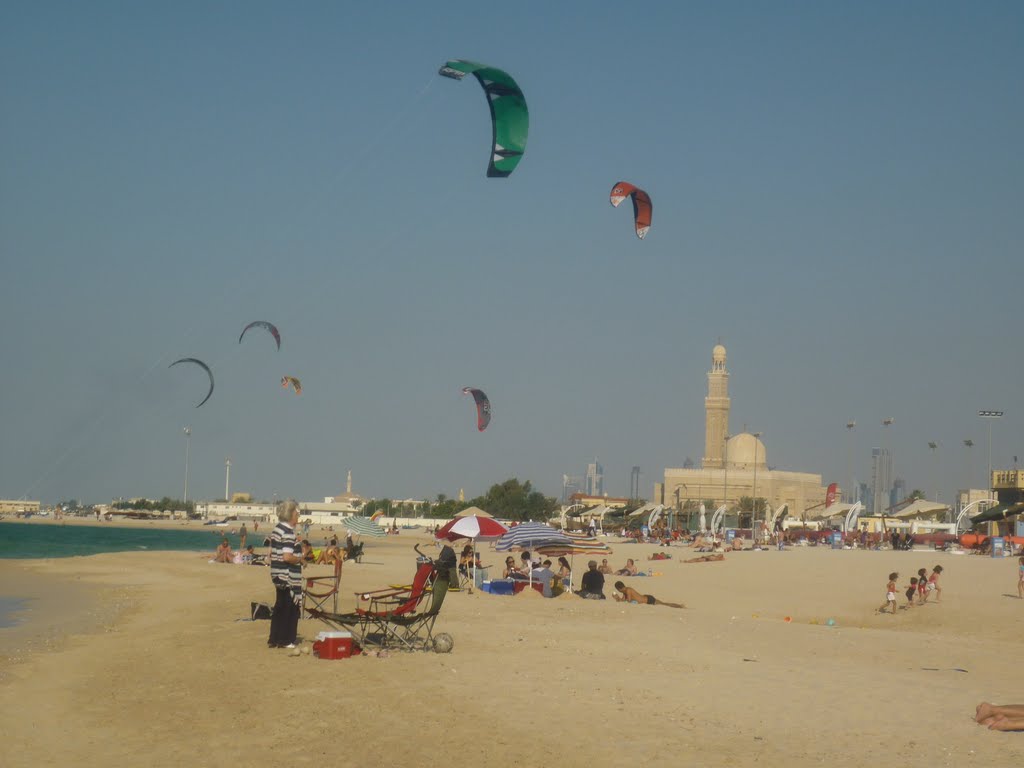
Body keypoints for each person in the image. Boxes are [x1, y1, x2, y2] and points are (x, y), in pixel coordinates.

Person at [268, 500, 303, 649]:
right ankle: (285, 640)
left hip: (276, 573)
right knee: (290, 608)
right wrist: (301, 560)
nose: (298, 517)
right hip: (287, 576)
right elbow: (287, 557)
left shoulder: (277, 529)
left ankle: (274, 638)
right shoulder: (287, 532)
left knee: (279, 606)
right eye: (296, 513)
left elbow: (272, 552)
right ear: (290, 515)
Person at [612, 581, 685, 609]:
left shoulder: (628, 590)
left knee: (665, 604)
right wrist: (617, 598)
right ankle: (680, 606)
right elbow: (623, 601)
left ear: (619, 589)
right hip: (646, 598)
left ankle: (680, 606)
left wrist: (619, 599)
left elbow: (629, 601)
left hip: (648, 600)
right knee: (664, 603)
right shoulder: (625, 591)